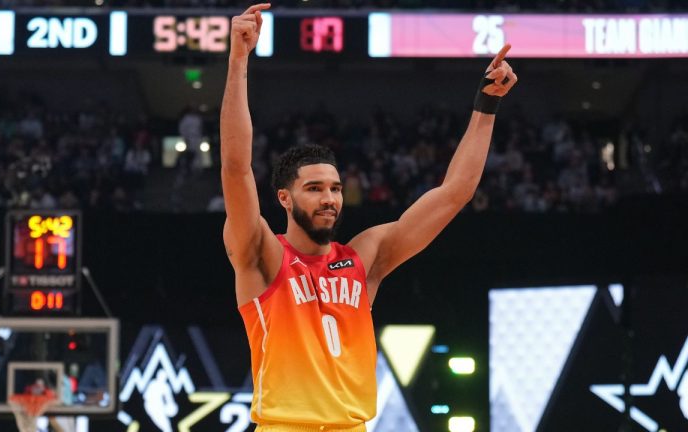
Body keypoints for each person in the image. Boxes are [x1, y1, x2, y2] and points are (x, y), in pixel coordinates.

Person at [220, 4, 517, 431]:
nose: (330, 199)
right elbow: (235, 167)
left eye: (336, 189)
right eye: (315, 188)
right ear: (284, 198)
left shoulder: (364, 257)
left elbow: (454, 194)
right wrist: (238, 61)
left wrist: (486, 105)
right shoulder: (261, 253)